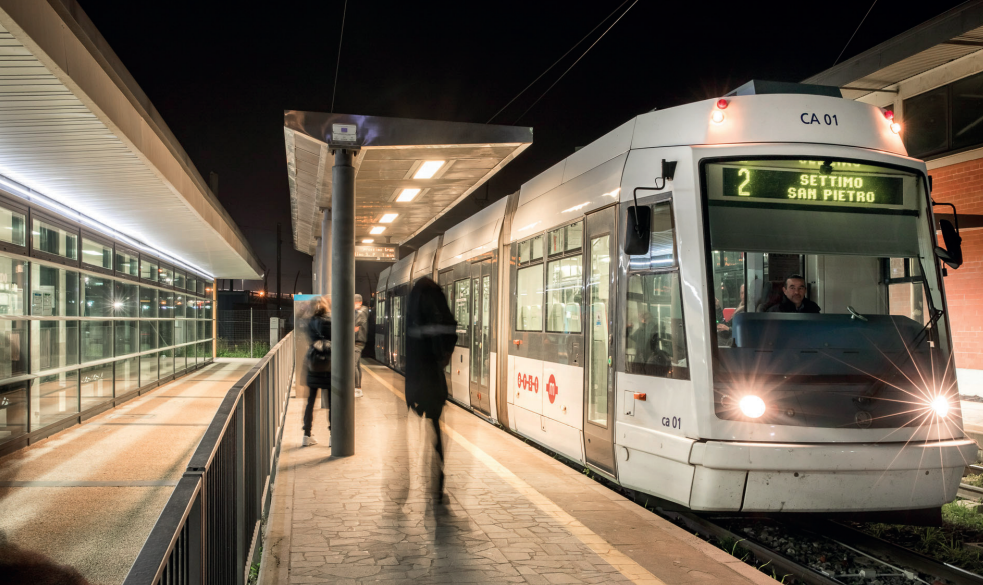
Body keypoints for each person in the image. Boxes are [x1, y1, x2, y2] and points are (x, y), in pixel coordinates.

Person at [405, 277, 457, 502]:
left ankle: (415, 478)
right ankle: (437, 479)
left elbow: (411, 346)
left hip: (416, 378)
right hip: (434, 379)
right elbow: (451, 332)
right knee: (435, 427)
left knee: (418, 430)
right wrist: (444, 357)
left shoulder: (415, 306)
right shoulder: (440, 303)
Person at [303, 296, 331, 447]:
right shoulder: (330, 321)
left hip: (313, 364)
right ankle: (334, 435)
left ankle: (306, 434)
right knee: (332, 402)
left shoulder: (310, 322)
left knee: (310, 401)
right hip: (328, 365)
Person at [354, 294, 369, 397]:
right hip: (357, 341)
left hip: (358, 341)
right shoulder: (360, 311)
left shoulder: (362, 311)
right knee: (357, 365)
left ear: (358, 302)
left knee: (353, 365)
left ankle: (357, 388)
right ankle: (358, 388)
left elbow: (356, 325)